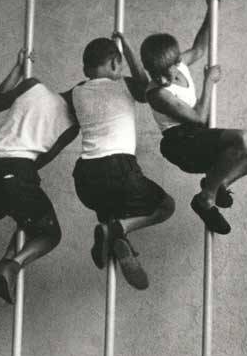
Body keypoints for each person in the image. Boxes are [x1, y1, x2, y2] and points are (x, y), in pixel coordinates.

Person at [140, 0, 247, 235]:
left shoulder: (180, 63)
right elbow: (199, 118)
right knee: (243, 139)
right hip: (181, 144)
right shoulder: (157, 94)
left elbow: (200, 48)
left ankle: (221, 181)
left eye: (164, 71)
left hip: (198, 138)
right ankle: (207, 197)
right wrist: (209, 82)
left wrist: (212, 7)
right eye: (152, 73)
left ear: (175, 62)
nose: (159, 78)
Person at [67, 34, 174, 290]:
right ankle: (119, 229)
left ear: (86, 69)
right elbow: (146, 84)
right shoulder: (124, 84)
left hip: (85, 178)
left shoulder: (76, 92)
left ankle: (119, 237)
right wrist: (126, 46)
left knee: (112, 216)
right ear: (115, 63)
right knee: (165, 206)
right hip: (119, 169)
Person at [0, 52, 80, 305]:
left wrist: (17, 68)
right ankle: (12, 265)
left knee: (29, 217)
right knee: (50, 233)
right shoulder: (71, 127)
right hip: (16, 172)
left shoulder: (33, 85)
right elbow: (40, 161)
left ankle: (6, 263)